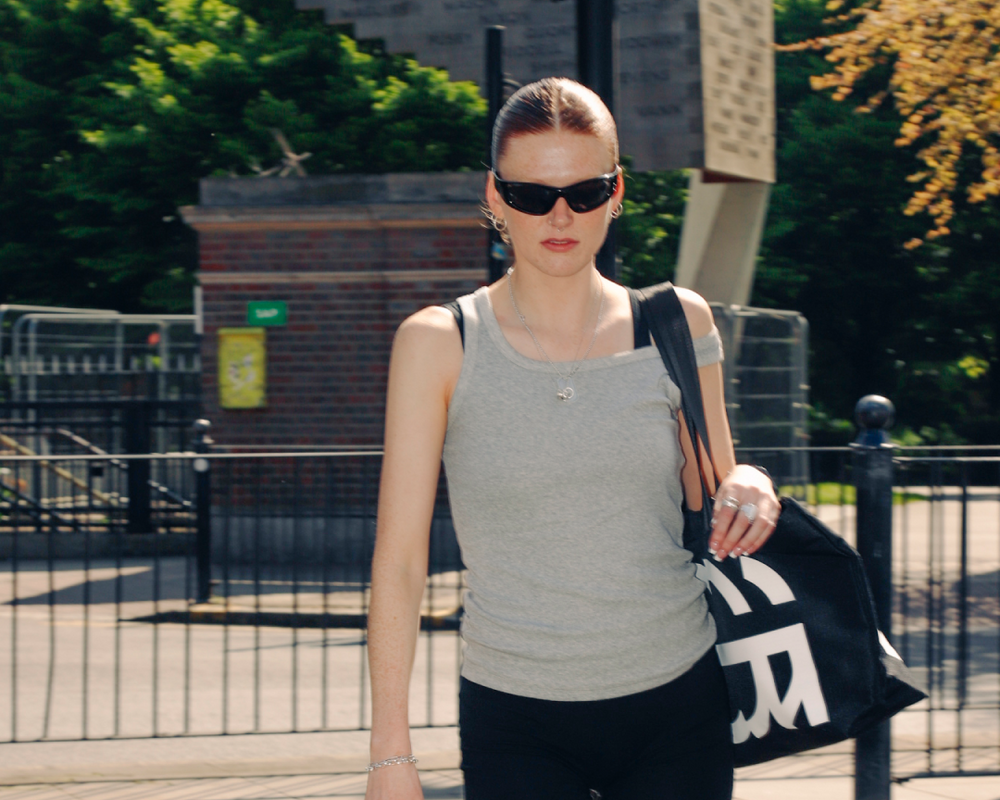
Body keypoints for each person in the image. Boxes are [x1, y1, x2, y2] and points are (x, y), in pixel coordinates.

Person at [365, 77, 781, 800]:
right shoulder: (439, 343)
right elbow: (398, 564)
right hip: (514, 715)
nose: (559, 215)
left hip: (678, 703)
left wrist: (751, 482)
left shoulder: (679, 323)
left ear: (616, 191)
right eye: (531, 195)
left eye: (584, 193)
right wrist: (390, 757)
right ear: (494, 197)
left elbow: (716, 483)